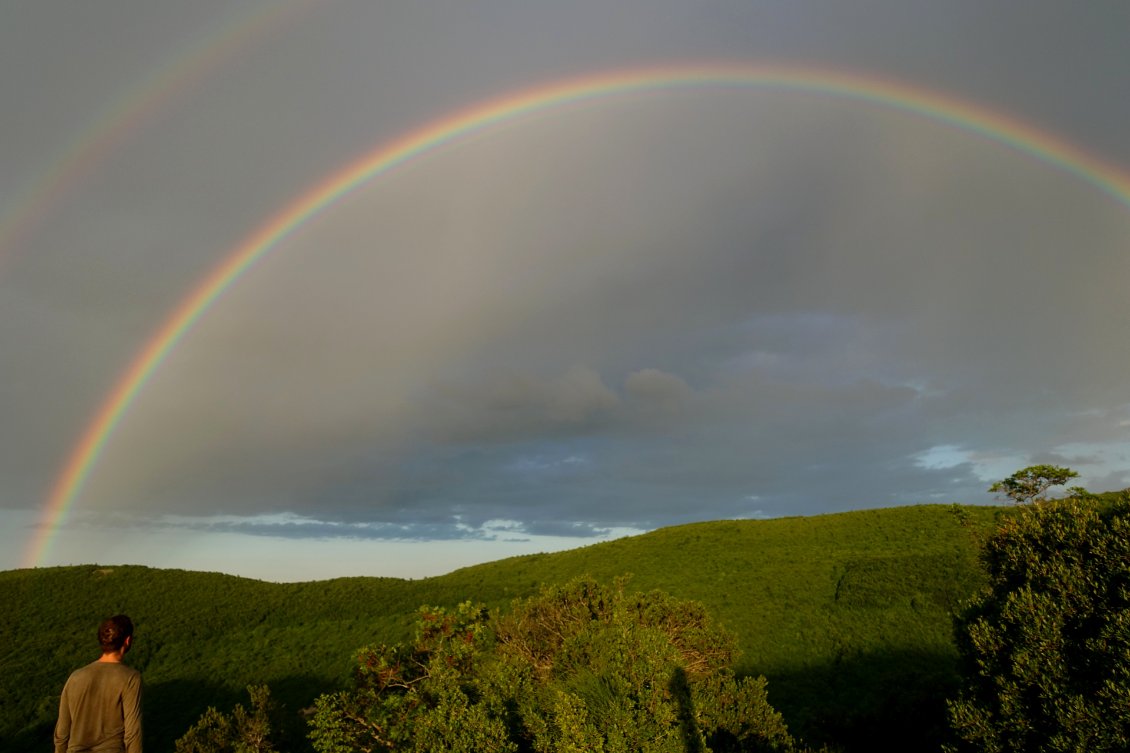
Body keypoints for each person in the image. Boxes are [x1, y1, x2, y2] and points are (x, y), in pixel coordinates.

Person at [54, 614, 143, 753]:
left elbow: (61, 734)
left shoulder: (75, 677)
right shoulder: (130, 679)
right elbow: (133, 733)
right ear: (127, 640)